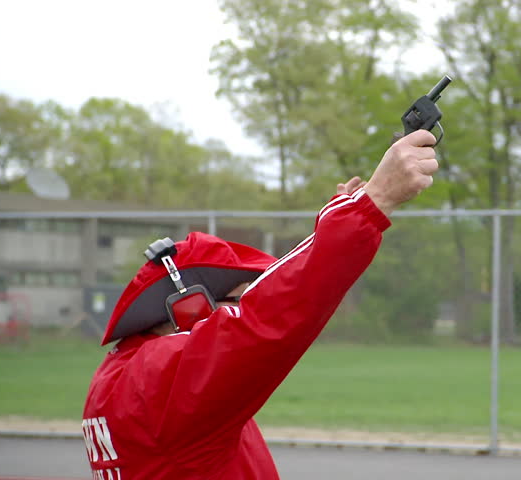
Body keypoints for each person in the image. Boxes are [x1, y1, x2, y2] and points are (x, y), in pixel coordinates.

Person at [82, 129, 439, 479]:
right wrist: (372, 202)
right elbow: (267, 314)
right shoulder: (159, 378)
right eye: (239, 299)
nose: (246, 304)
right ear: (190, 307)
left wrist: (334, 226)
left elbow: (281, 289)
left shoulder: (122, 378)